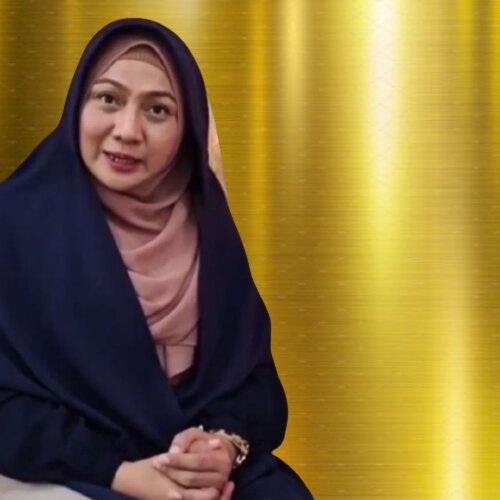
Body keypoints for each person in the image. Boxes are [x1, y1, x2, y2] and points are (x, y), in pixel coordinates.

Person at [0, 17, 313, 500]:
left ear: (189, 130)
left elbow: (256, 386)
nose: (127, 131)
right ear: (77, 104)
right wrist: (119, 472)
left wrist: (222, 445)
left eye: (158, 110)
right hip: (69, 465)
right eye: (108, 99)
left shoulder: (207, 228)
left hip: (194, 469)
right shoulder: (15, 226)